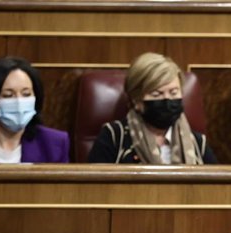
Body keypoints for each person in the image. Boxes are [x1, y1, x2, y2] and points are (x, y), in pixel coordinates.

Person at [88, 52, 216, 164]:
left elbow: (216, 188)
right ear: (137, 100)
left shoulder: (198, 143)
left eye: (173, 92)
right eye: (157, 94)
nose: (167, 100)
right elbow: (96, 188)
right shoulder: (114, 137)